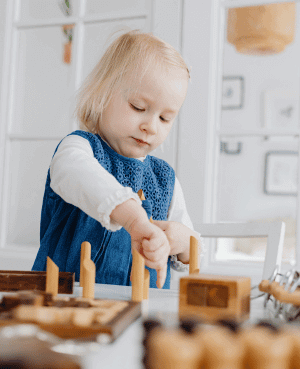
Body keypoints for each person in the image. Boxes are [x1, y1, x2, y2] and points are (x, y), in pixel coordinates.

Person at [32, 30, 201, 289]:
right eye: (138, 107)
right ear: (102, 94)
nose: (151, 126)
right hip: (63, 303)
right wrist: (134, 218)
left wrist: (182, 241)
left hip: (140, 312)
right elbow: (77, 175)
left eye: (165, 118)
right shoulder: (78, 148)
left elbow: (198, 257)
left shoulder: (165, 179)